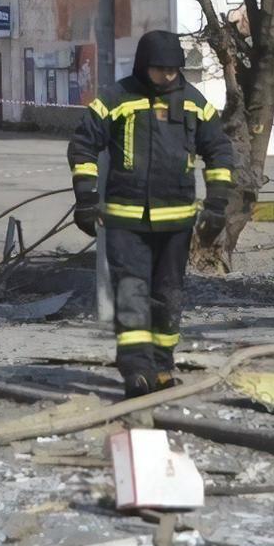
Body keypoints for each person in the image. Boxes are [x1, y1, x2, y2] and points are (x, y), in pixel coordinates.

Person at [67, 31, 235, 399]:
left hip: (176, 222)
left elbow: (219, 150)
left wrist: (217, 203)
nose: (167, 76)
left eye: (173, 70)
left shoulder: (194, 103)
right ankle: (136, 370)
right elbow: (83, 145)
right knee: (131, 291)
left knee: (168, 295)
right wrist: (86, 199)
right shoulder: (117, 99)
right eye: (160, 69)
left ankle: (161, 367)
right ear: (144, 65)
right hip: (126, 221)